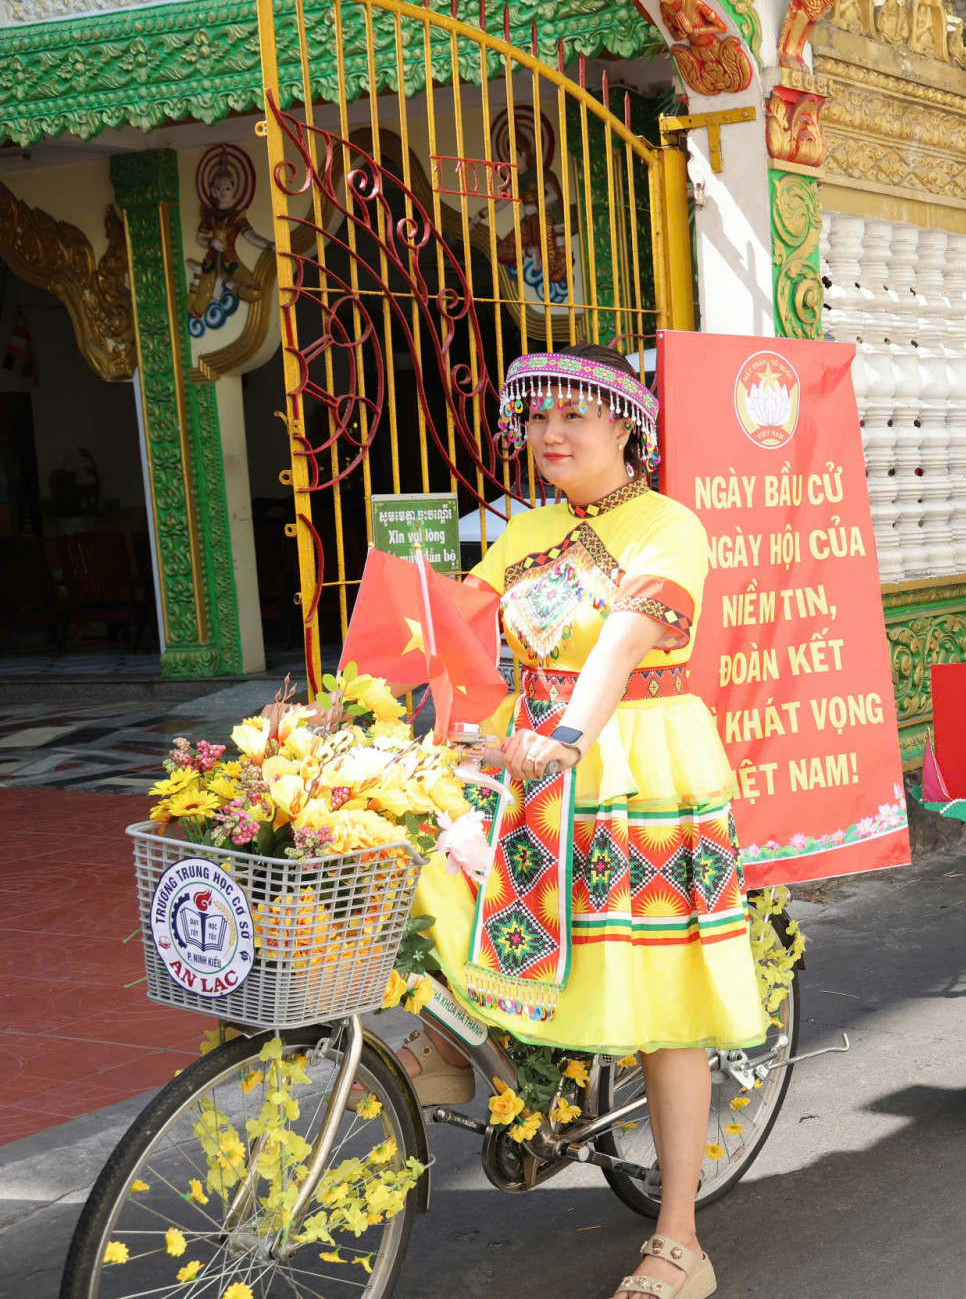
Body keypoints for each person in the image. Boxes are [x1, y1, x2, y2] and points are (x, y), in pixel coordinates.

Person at [376, 345, 755, 1299]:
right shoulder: (526, 530)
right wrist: (381, 720)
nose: (550, 434)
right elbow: (463, 638)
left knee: (662, 1003)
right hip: (534, 754)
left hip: (635, 761)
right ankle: (463, 1047)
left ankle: (680, 1238)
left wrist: (569, 731)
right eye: (537, 417)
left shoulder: (669, 527)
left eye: (573, 416)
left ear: (627, 427)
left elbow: (625, 644)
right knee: (429, 857)